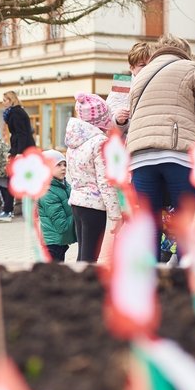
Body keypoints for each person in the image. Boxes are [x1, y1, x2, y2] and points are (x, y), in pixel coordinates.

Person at [123, 34, 195, 259]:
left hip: (140, 157)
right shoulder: (191, 68)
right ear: (185, 51)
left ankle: (151, 282)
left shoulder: (141, 74)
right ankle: (184, 282)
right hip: (178, 154)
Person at [65, 93, 122, 263]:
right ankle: (83, 287)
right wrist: (115, 215)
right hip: (94, 206)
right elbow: (106, 181)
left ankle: (77, 283)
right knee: (90, 258)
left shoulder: (74, 141)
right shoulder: (100, 143)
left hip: (77, 202)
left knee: (83, 253)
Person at [39, 150, 77, 262]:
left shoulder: (65, 186)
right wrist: (79, 213)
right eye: (58, 165)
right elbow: (62, 225)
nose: (63, 168)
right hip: (52, 244)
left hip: (60, 242)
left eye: (65, 164)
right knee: (51, 276)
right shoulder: (47, 192)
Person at [112, 41, 154, 128]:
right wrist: (118, 121)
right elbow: (108, 123)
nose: (147, 68)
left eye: (150, 64)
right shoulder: (122, 83)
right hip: (129, 139)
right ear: (132, 68)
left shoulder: (159, 82)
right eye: (142, 65)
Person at [2, 91, 37, 156]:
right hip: (21, 147)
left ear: (11, 101)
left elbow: (21, 134)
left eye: (4, 100)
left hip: (24, 149)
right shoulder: (13, 112)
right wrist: (11, 151)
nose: (2, 103)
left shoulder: (16, 113)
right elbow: (16, 135)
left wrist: (19, 152)